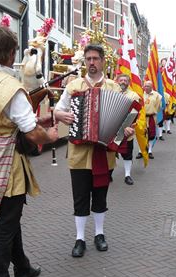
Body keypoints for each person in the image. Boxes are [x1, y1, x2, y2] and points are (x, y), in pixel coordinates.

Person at [0, 26, 58, 277]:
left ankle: (21, 267)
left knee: (11, 219)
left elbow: (1, 120)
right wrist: (51, 135)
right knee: (6, 224)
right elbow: (31, 133)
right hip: (7, 168)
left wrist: (35, 122)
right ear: (11, 55)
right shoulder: (11, 88)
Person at [54, 44, 135, 257]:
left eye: (95, 59)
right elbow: (59, 110)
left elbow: (126, 120)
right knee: (80, 197)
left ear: (102, 61)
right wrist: (59, 115)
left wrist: (126, 131)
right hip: (79, 154)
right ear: (85, 61)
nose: (91, 62)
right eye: (88, 58)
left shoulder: (113, 88)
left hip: (104, 153)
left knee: (100, 196)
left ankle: (99, 234)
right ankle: (79, 238)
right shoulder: (73, 86)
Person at [115, 73, 139, 185]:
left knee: (127, 153)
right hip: (112, 129)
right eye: (121, 80)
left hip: (127, 129)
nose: (123, 82)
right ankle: (108, 173)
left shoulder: (134, 95)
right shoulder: (112, 92)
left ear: (129, 83)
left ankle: (127, 175)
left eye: (125, 80)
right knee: (110, 152)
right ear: (117, 81)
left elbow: (134, 113)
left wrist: (127, 126)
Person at [135, 81, 161, 159]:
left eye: (148, 86)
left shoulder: (157, 96)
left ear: (152, 87)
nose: (146, 87)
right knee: (141, 133)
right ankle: (140, 151)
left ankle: (149, 151)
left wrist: (152, 112)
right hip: (142, 118)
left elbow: (158, 107)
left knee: (151, 135)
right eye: (145, 86)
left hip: (151, 117)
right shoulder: (140, 94)